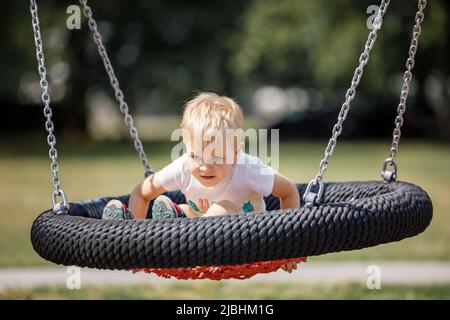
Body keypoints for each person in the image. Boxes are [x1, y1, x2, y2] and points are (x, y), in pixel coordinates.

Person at [102, 92, 302, 272]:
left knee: (223, 207)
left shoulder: (249, 169)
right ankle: (129, 233)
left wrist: (287, 247)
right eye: (196, 156)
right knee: (181, 210)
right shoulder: (183, 167)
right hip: (195, 236)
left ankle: (177, 231)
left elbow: (289, 192)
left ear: (235, 152)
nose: (205, 167)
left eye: (216, 158)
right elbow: (141, 193)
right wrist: (136, 241)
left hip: (248, 241)